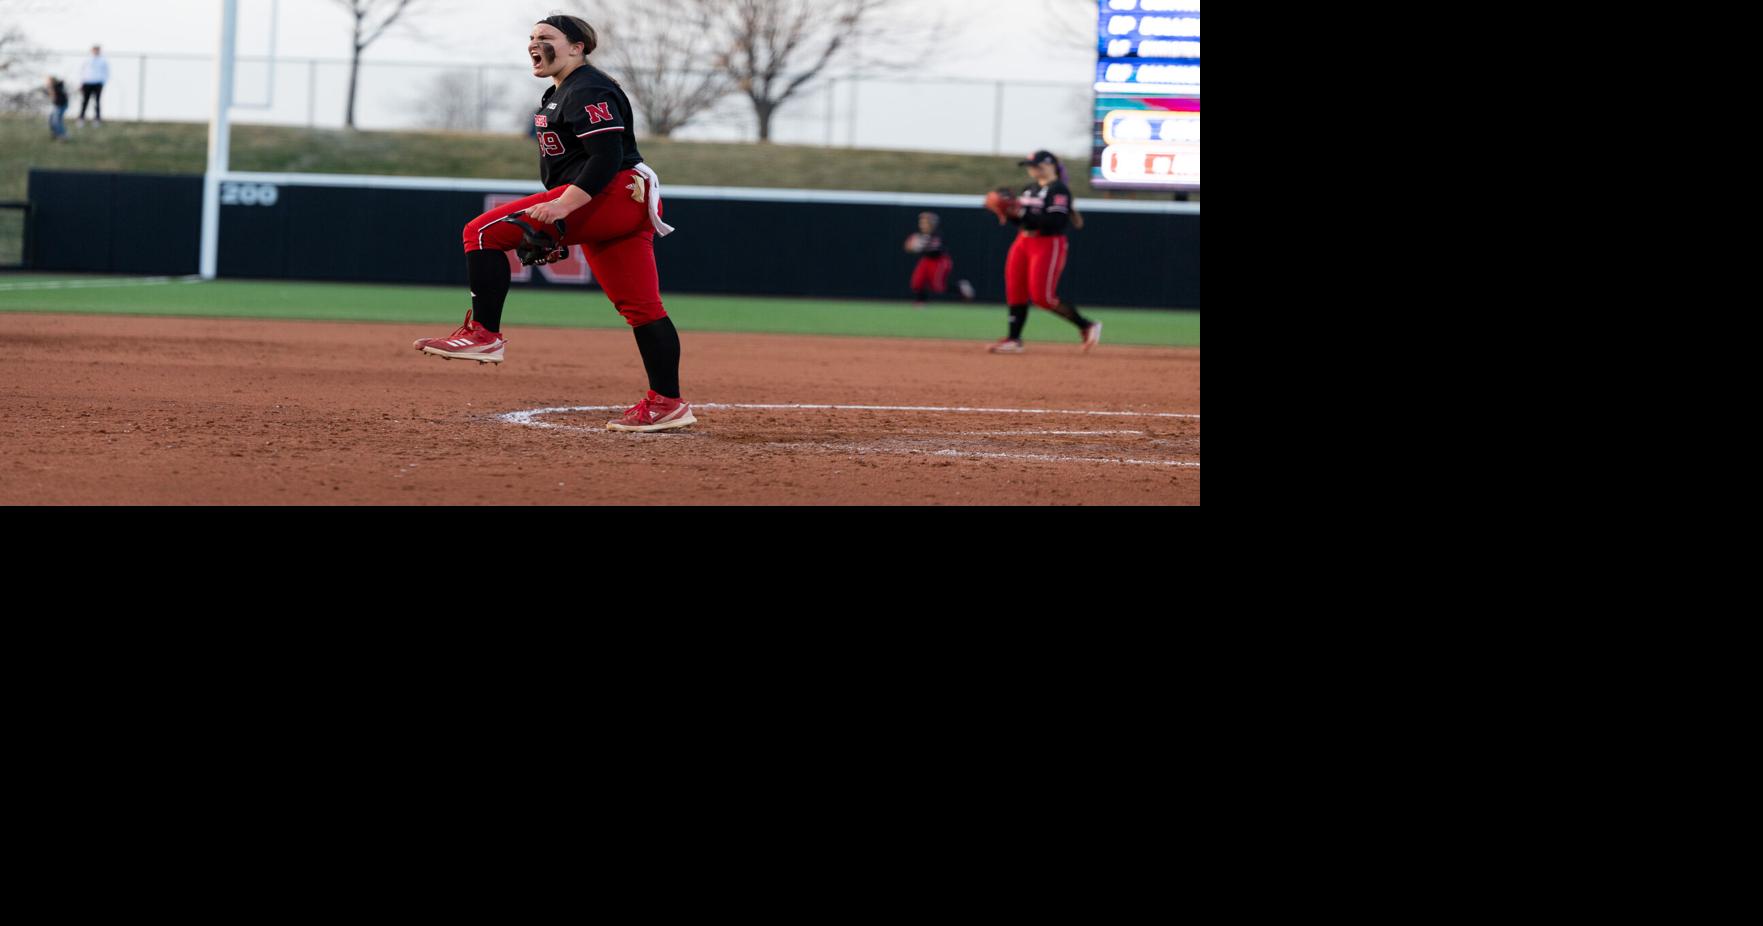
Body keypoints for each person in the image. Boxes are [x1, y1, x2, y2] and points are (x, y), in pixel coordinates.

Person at [412, 14, 693, 433]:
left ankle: (484, 335)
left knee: (481, 233)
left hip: (614, 190)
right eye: (531, 37)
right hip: (613, 199)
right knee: (642, 308)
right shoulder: (560, 92)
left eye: (546, 36)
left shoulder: (589, 87)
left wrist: (563, 209)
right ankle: (667, 402)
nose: (534, 42)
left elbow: (607, 157)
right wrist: (560, 226)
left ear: (577, 47)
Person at [987, 150, 1101, 354]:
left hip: (1048, 243)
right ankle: (1014, 339)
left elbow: (1055, 222)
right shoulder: (1029, 189)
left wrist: (1021, 211)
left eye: (1036, 165)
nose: (1032, 169)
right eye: (1029, 165)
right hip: (1023, 241)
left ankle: (1086, 325)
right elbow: (1023, 221)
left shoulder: (1059, 190)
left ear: (1051, 165)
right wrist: (1008, 213)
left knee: (1043, 297)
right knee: (1015, 290)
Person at [903, 212, 974, 308]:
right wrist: (911, 246)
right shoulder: (919, 235)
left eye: (925, 223)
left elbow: (932, 248)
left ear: (932, 224)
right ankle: (920, 302)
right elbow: (908, 247)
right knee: (917, 282)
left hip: (939, 261)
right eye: (921, 223)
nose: (923, 225)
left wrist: (917, 246)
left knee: (938, 287)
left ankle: (960, 288)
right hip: (926, 260)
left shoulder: (936, 235)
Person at [78, 46, 108, 126]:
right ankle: (81, 118)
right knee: (85, 101)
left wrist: (103, 82)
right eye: (94, 50)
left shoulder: (103, 60)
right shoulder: (86, 59)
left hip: (98, 83)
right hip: (87, 82)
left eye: (97, 50)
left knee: (97, 101)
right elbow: (81, 71)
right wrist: (81, 82)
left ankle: (97, 119)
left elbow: (106, 72)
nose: (96, 52)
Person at [45, 76, 69, 141]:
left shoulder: (57, 87)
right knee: (51, 119)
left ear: (53, 81)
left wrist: (51, 90)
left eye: (48, 81)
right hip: (57, 105)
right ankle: (55, 133)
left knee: (56, 120)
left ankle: (63, 135)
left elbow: (54, 97)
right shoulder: (54, 87)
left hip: (61, 105)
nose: (47, 83)